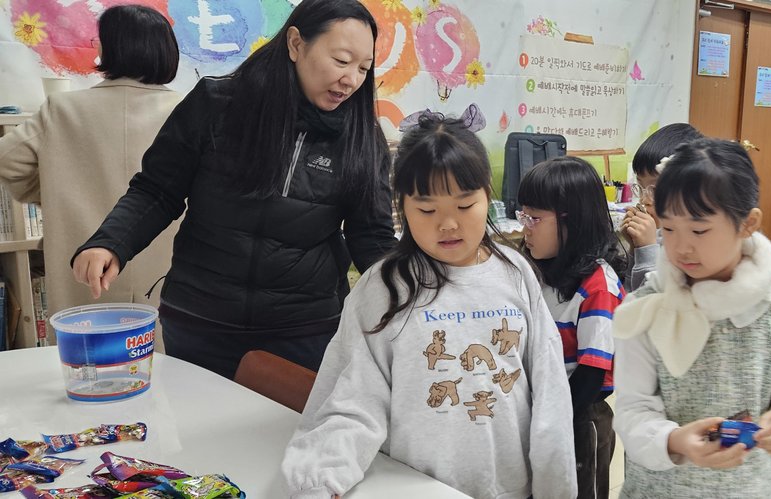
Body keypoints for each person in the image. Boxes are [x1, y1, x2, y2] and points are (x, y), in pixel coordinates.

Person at [70, 0, 397, 379]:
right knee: (199, 415)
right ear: (295, 44)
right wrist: (110, 242)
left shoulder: (362, 139)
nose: (351, 80)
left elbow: (371, 236)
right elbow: (157, 190)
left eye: (363, 68)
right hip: (200, 320)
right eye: (341, 61)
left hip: (302, 330)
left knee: (288, 419)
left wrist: (409, 289)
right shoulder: (217, 104)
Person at [282, 116, 576, 499]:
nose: (448, 224)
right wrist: (320, 482)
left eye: (465, 205)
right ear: (402, 206)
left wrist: (556, 489)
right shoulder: (384, 288)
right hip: (415, 487)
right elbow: (350, 401)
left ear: (487, 195)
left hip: (510, 489)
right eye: (426, 210)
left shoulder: (516, 273)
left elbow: (550, 394)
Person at [612, 138, 771, 497]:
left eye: (699, 230)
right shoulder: (646, 308)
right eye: (668, 228)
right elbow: (632, 413)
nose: (681, 247)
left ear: (747, 223)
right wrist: (675, 440)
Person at [0, 4, 181, 317]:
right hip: (168, 263)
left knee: (86, 344)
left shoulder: (62, 108)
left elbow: (6, 159)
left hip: (85, 263)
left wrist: (54, 193)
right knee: (167, 345)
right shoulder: (187, 109)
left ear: (110, 48)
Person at [517, 156, 627, 498]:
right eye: (523, 216)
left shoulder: (598, 286)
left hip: (579, 416)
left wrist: (551, 420)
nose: (525, 228)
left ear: (573, 221)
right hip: (541, 410)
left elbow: (590, 375)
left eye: (535, 218)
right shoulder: (535, 270)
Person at [621, 123, 704, 291]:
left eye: (655, 189)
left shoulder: (693, 248)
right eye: (640, 187)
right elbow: (631, 295)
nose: (644, 200)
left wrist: (646, 248)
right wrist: (634, 248)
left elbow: (656, 299)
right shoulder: (660, 234)